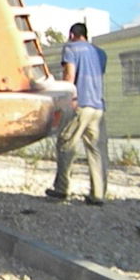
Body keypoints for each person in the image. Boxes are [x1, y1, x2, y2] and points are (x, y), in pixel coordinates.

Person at [46, 23, 108, 205]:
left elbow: (70, 76)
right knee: (97, 150)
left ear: (72, 35)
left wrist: (66, 99)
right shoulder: (100, 53)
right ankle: (98, 195)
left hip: (79, 104)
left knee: (66, 143)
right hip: (97, 106)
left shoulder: (71, 48)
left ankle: (62, 189)